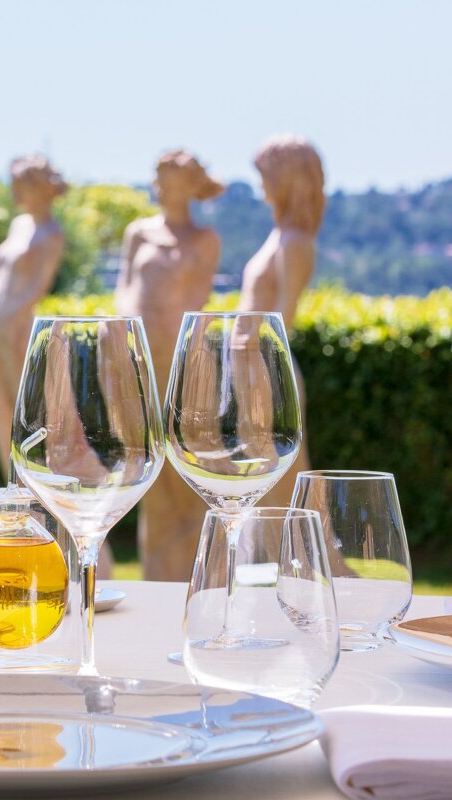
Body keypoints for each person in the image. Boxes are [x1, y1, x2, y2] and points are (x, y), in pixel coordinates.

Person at [115, 150, 224, 581]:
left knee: (193, 479)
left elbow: (197, 302)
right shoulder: (138, 233)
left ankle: (197, 584)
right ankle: (156, 581)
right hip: (141, 364)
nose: (161, 185)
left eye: (169, 178)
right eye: (158, 177)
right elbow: (125, 292)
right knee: (150, 482)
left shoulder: (205, 240)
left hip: (185, 365)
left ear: (189, 185)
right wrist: (124, 336)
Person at [238, 134, 326, 508]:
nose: (261, 183)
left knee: (280, 473)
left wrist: (251, 368)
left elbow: (281, 322)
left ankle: (298, 557)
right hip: (249, 368)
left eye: (267, 174)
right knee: (260, 476)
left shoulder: (294, 242)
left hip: (266, 370)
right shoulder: (280, 236)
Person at [0, 156, 67, 479]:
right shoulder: (20, 225)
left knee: (28, 416)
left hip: (17, 330)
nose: (14, 192)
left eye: (20, 185)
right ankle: (13, 489)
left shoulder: (51, 234)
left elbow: (35, 289)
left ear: (38, 188)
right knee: (1, 412)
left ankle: (37, 488)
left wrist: (11, 322)